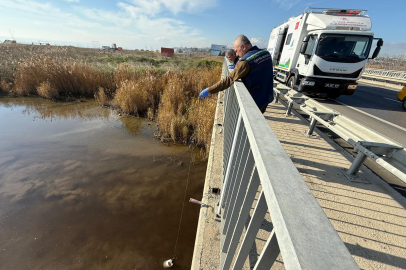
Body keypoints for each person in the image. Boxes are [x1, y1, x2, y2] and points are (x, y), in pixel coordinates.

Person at [199, 35, 273, 113]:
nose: (237, 54)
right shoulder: (266, 53)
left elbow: (229, 79)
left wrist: (209, 90)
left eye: (237, 51)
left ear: (243, 46)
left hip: (255, 100)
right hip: (266, 96)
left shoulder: (245, 62)